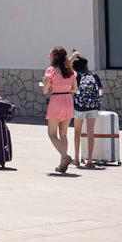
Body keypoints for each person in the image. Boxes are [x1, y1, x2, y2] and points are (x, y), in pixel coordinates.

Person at [41, 45, 76, 174]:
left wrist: (49, 85)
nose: (48, 56)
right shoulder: (70, 71)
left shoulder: (51, 70)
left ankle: (65, 157)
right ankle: (62, 163)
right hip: (68, 100)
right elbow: (74, 89)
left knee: (52, 134)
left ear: (55, 57)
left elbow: (44, 90)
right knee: (63, 134)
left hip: (56, 101)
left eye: (50, 54)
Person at [71, 52, 104, 169]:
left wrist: (73, 57)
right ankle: (89, 160)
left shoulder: (77, 75)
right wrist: (98, 103)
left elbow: (67, 70)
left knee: (77, 132)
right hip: (93, 107)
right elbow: (100, 90)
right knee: (91, 133)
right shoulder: (94, 76)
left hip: (80, 106)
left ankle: (76, 159)